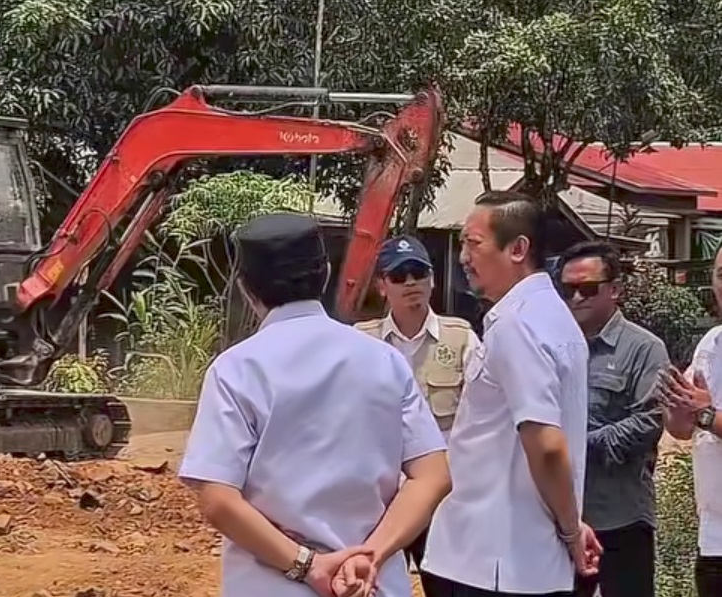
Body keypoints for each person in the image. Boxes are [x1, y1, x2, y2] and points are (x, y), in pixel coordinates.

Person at [178, 212, 452, 597]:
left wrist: (309, 566)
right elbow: (433, 475)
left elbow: (219, 500)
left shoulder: (236, 370)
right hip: (370, 585)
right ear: (324, 273)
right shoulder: (384, 360)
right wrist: (371, 555)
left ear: (246, 288)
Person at [420, 190, 601, 597]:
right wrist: (570, 519)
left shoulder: (517, 325)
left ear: (518, 248)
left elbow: (548, 445)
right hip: (518, 557)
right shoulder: (554, 319)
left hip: (491, 560)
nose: (463, 257)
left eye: (473, 243)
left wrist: (571, 529)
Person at [355, 235, 480, 583]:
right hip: (379, 501)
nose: (411, 282)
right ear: (382, 286)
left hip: (444, 498)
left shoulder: (462, 339)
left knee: (448, 588)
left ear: (433, 279)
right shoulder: (360, 342)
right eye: (398, 276)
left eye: (418, 273)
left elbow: (481, 421)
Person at [558, 241, 669, 597]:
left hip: (620, 516)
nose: (577, 298)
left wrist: (576, 442)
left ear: (615, 290)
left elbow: (649, 423)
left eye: (587, 289)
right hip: (561, 517)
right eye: (568, 289)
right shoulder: (553, 345)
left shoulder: (644, 348)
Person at [661, 243, 722, 597]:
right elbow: (682, 429)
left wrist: (704, 413)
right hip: (714, 537)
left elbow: (704, 414)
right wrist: (677, 409)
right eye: (720, 275)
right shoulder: (711, 344)